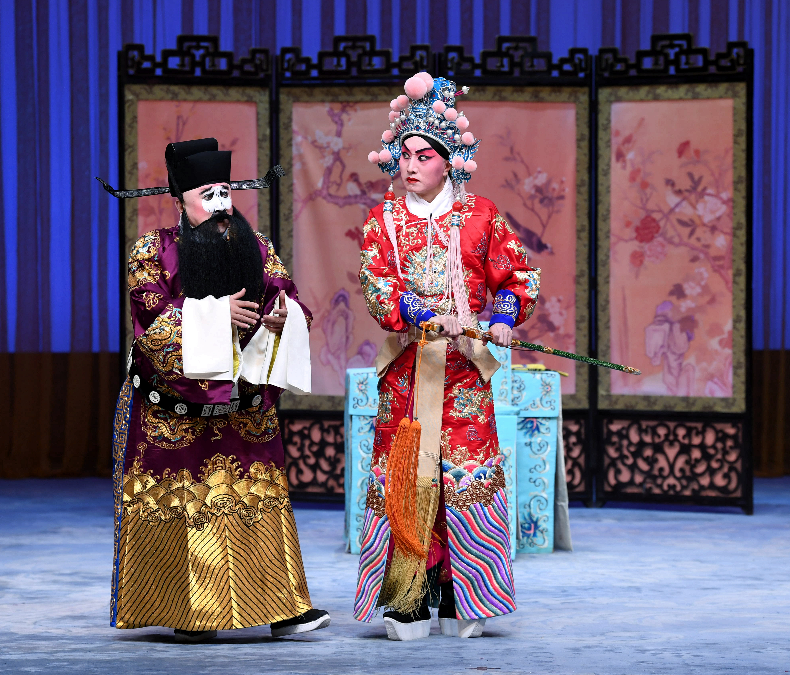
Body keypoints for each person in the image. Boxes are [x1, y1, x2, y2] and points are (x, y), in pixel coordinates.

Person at [104, 138, 329, 642]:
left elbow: (288, 298)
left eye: (225, 191)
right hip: (173, 410)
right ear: (179, 199)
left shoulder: (257, 246)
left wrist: (283, 317)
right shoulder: (151, 251)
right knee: (184, 506)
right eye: (207, 194)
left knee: (257, 500)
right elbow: (153, 323)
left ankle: (283, 606)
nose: (221, 203)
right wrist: (214, 315)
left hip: (242, 405)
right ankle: (189, 613)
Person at [354, 73, 541, 640]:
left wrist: (503, 317)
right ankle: (407, 599)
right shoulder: (384, 220)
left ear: (450, 161)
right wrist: (423, 314)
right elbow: (377, 285)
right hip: (408, 374)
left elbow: (518, 276)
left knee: (465, 477)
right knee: (406, 474)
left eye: (425, 156)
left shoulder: (482, 216)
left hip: (462, 375)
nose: (411, 166)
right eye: (405, 154)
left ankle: (467, 598)